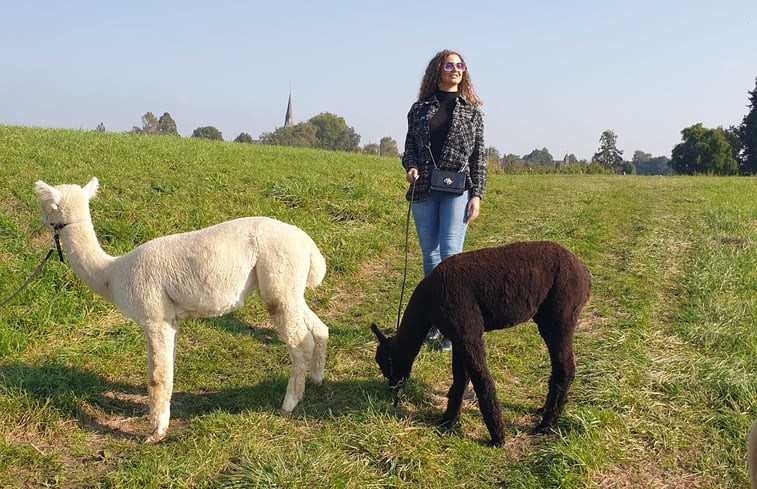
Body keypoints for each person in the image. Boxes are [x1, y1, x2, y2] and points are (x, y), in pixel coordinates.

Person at [401, 49, 487, 351]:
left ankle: (455, 323)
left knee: (452, 254)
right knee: (431, 257)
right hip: (424, 189)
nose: (456, 69)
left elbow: (479, 158)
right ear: (438, 70)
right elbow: (409, 147)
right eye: (450, 65)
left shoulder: (473, 112)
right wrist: (410, 167)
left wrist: (477, 194)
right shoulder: (419, 109)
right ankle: (436, 320)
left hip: (458, 189)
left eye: (460, 65)